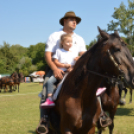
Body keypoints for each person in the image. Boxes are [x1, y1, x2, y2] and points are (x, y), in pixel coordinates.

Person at [41, 33, 79, 108]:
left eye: (71, 42)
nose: (70, 43)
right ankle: (49, 99)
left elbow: (75, 63)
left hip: (71, 72)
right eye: (67, 42)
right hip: (60, 72)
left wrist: (74, 66)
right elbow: (55, 62)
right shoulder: (59, 51)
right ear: (62, 43)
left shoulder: (74, 53)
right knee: (49, 81)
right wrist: (64, 65)